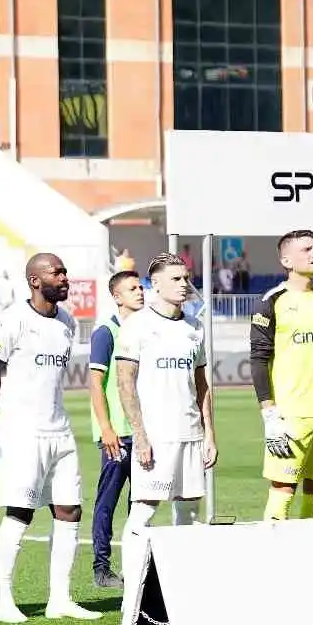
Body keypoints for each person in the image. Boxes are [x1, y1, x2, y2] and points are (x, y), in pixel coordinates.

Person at [0, 252, 98, 624]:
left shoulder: (67, 322)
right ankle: (4, 600)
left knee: (69, 509)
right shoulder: (13, 319)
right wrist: (7, 413)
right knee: (21, 512)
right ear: (34, 280)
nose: (65, 278)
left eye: (65, 272)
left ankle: (60, 598)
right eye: (56, 273)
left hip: (59, 429)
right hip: (23, 432)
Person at [112, 254, 217, 599]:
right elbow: (125, 382)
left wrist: (209, 434)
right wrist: (140, 435)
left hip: (190, 434)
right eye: (176, 279)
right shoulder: (137, 326)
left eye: (186, 278)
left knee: (188, 509)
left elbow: (202, 385)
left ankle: (180, 589)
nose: (184, 284)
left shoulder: (194, 327)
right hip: (156, 437)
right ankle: (132, 591)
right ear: (155, 284)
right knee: (144, 510)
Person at [250, 230, 313, 520]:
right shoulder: (272, 301)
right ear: (286, 260)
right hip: (290, 416)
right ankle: (271, 559)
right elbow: (258, 360)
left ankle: (311, 558)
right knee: (283, 489)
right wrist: (269, 415)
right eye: (306, 249)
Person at [87, 270, 145, 589]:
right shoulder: (106, 332)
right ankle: (101, 567)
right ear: (117, 296)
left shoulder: (147, 331)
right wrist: (106, 429)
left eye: (141, 287)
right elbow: (95, 384)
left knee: (140, 503)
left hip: (142, 435)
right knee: (108, 501)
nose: (140, 292)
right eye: (132, 288)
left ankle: (134, 565)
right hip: (117, 435)